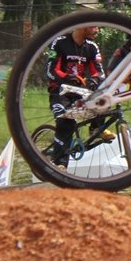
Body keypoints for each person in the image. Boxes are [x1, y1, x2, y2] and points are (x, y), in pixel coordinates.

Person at [45, 24, 105, 165]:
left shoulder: (92, 47)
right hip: (59, 92)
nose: (97, 30)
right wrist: (66, 78)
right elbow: (50, 70)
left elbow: (99, 72)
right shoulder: (59, 42)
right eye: (94, 27)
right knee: (66, 122)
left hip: (80, 92)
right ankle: (60, 164)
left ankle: (96, 129)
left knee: (102, 100)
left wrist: (94, 80)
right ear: (82, 27)